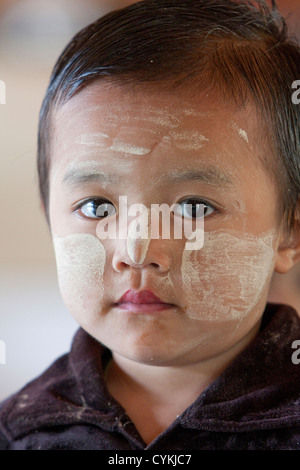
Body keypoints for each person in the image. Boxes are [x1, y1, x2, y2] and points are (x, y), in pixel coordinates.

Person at [0, 0, 299, 450]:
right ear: (51, 221)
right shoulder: (21, 431)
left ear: (290, 232)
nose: (136, 250)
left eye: (194, 207)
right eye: (97, 208)